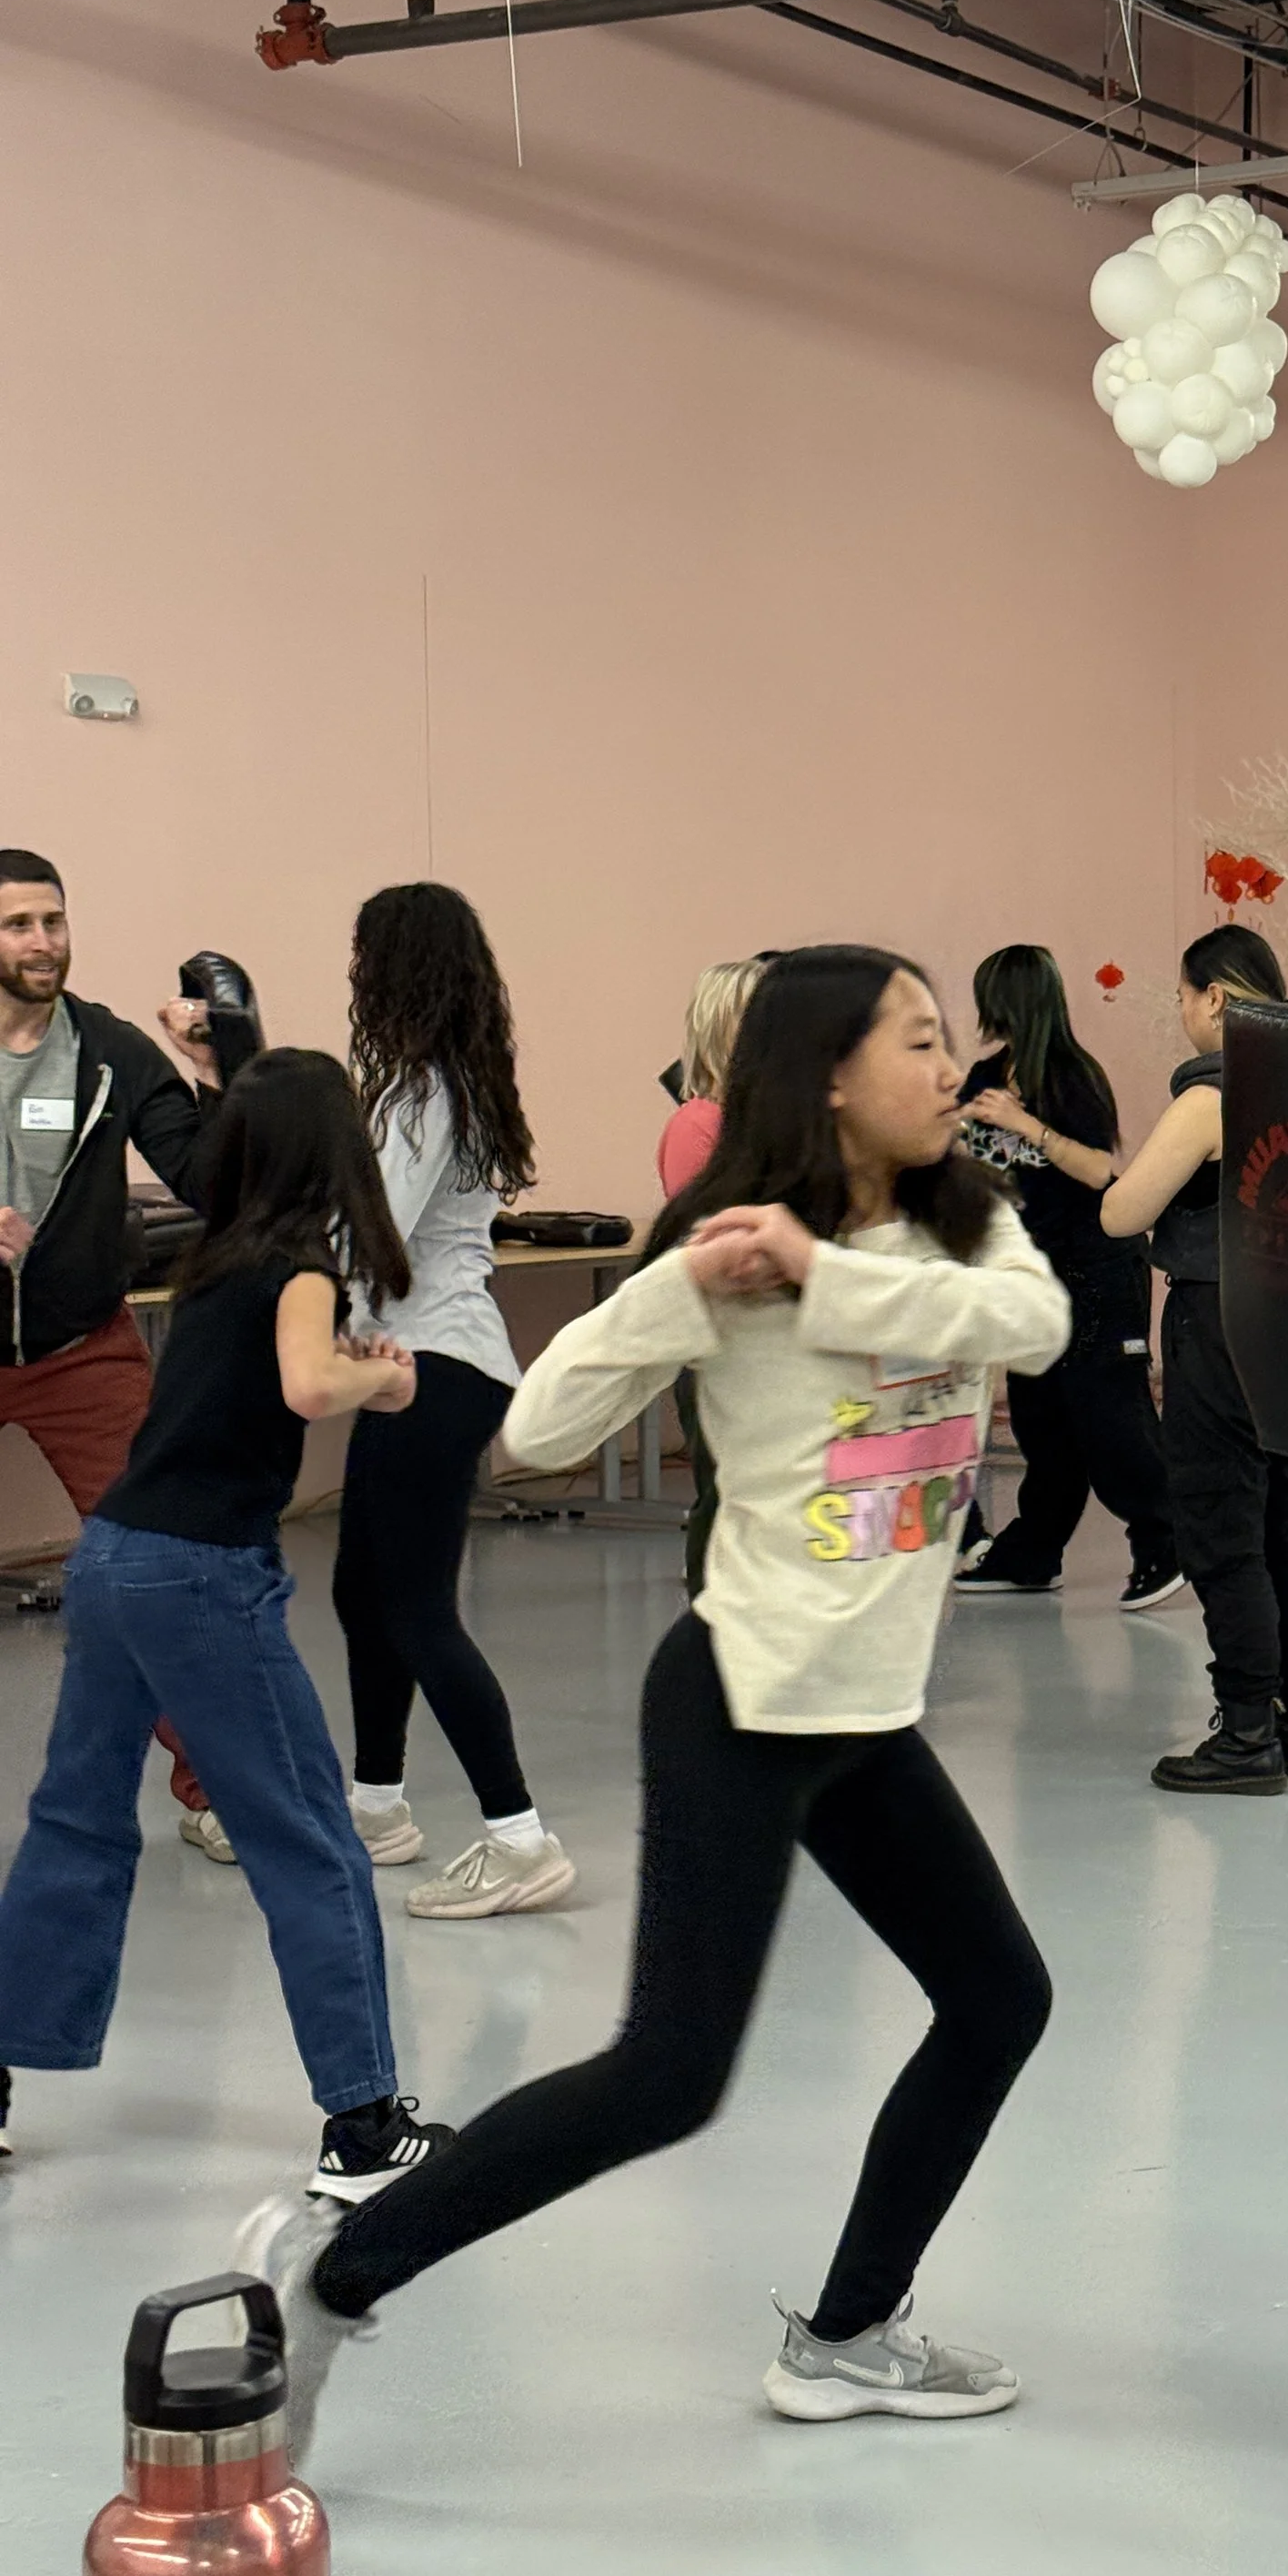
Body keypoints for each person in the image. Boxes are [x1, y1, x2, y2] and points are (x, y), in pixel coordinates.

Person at [236, 945, 1068, 2464]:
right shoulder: (728, 1253)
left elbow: (1033, 1329)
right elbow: (537, 1432)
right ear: (828, 1074)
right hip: (744, 1698)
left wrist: (830, 1275)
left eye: (952, 1042)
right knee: (669, 2074)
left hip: (863, 1713)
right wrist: (673, 1290)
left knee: (1000, 1995)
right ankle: (334, 2273)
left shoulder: (970, 1221)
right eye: (923, 1042)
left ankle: (847, 2334)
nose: (954, 1068)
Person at [0, 1050, 457, 2197]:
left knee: (74, 1824)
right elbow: (309, 1386)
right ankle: (362, 2128)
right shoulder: (302, 1265)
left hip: (112, 1556)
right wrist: (385, 1384)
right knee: (307, 1833)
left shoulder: (216, 1263)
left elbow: (270, 1380)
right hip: (200, 1576)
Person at [329, 884, 574, 1922]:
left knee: (417, 1608)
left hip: (430, 1367)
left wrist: (296, 1278)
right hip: (424, 1364)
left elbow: (370, 1233)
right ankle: (378, 1804)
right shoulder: (447, 1082)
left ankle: (519, 1837)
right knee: (358, 1589)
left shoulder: (423, 1093)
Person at [0, 847, 230, 1857]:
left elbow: (210, 1175)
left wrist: (216, 1073)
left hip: (78, 1346)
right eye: (18, 926)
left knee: (160, 1567)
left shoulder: (109, 1050)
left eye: (52, 921)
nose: (42, 942)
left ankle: (215, 1789)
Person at [1101, 928, 1288, 1794]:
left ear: (1218, 1000)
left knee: (1219, 1513)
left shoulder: (1209, 1099)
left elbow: (1124, 1213)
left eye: (1186, 995)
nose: (1182, 1011)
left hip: (1222, 1321)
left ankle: (1244, 1731)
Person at [954, 944, 1181, 1612]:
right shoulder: (985, 1074)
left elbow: (1101, 1172)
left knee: (1109, 1416)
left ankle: (1165, 1540)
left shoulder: (1071, 1076)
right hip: (1030, 1275)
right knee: (1041, 1421)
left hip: (1096, 1267)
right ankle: (1034, 1550)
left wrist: (1026, 1125)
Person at [659, 955, 770, 1594]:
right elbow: (715, 1242)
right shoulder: (698, 1124)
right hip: (722, 1344)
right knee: (727, 1499)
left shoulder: (772, 1126)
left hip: (777, 1340)